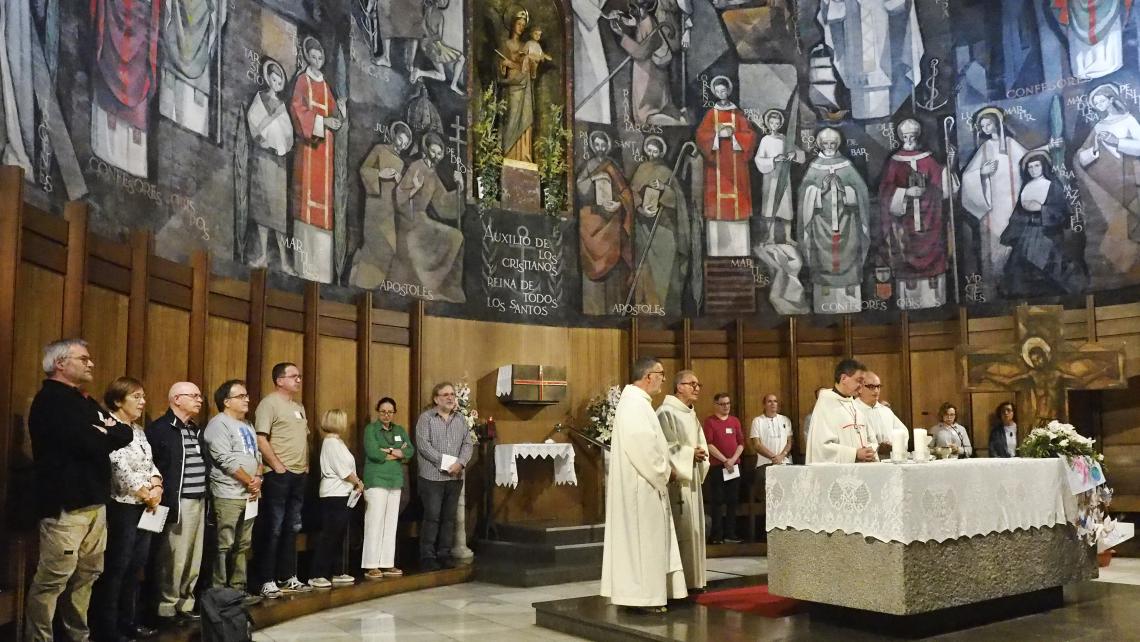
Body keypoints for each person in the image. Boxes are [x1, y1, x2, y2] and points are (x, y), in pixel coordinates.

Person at [25, 340, 133, 642]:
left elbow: (124, 432)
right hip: (66, 505)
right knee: (52, 581)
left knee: (87, 576)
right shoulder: (51, 401)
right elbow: (89, 442)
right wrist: (104, 432)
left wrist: (105, 431)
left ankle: (77, 636)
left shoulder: (84, 401)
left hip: (95, 502)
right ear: (60, 363)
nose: (91, 364)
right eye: (83, 358)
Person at [601, 357, 687, 612]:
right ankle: (643, 598)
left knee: (648, 543)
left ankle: (647, 596)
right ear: (649, 376)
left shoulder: (639, 403)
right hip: (642, 487)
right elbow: (643, 448)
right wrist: (665, 472)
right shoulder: (634, 406)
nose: (663, 378)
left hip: (645, 484)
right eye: (661, 373)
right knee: (643, 543)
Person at [92, 377, 161, 642]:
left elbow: (149, 465)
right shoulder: (109, 427)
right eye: (137, 397)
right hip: (122, 507)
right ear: (118, 400)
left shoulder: (139, 430)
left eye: (143, 396)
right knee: (116, 568)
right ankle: (108, 629)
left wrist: (157, 487)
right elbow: (118, 468)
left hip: (146, 506)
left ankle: (128, 621)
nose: (143, 402)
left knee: (136, 566)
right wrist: (146, 493)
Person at [146, 382, 209, 624]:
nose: (199, 400)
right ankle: (166, 607)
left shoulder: (195, 429)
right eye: (193, 396)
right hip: (177, 502)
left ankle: (186, 602)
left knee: (194, 556)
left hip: (199, 500)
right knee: (174, 557)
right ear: (176, 399)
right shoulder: (161, 429)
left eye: (199, 395)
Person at [877, 118, 955, 310]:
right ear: (901, 137)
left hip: (929, 220)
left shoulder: (927, 159)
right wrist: (904, 193)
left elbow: (942, 188)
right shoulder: (895, 162)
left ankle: (935, 303)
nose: (909, 139)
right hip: (905, 223)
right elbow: (885, 191)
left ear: (918, 136)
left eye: (913, 135)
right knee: (904, 254)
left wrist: (949, 167)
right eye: (906, 136)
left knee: (934, 256)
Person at [254, 362, 312, 597]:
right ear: (279, 380)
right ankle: (266, 579)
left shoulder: (299, 406)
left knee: (293, 527)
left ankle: (288, 576)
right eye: (293, 376)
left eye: (299, 376)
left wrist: (306, 464)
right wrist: (277, 465)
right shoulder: (269, 404)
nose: (298, 379)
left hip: (299, 474)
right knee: (274, 528)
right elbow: (261, 438)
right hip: (279, 475)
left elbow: (302, 437)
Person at [799, 127, 872, 313]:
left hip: (847, 224)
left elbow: (861, 193)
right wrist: (819, 190)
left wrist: (846, 191)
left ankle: (850, 298)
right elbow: (805, 195)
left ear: (837, 144)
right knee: (821, 259)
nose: (829, 147)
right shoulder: (815, 167)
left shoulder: (846, 166)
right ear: (820, 145)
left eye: (833, 144)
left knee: (849, 256)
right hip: (820, 225)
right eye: (825, 144)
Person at [1074, 82, 1140, 287]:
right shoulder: (1099, 126)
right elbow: (1082, 156)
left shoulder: (1128, 120)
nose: (1099, 105)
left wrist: (1117, 143)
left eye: (1101, 101)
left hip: (1131, 179)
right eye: (1096, 103)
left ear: (1111, 99)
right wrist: (1092, 152)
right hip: (1109, 185)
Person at [289, 36, 344, 283]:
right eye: (313, 56)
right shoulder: (303, 80)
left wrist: (338, 115)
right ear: (306, 56)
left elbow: (336, 115)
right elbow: (297, 109)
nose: (317, 61)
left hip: (326, 151)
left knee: (324, 204)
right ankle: (304, 265)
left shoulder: (325, 85)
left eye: (320, 57)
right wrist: (322, 122)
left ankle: (322, 271)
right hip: (309, 149)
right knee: (306, 201)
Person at [203, 379, 262, 599]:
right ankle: (219, 590)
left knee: (243, 543)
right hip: (227, 492)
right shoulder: (219, 424)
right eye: (241, 396)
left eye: (247, 395)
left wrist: (257, 478)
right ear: (226, 402)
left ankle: (239, 588)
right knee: (224, 542)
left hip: (249, 493)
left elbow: (256, 455)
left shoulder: (247, 424)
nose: (247, 399)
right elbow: (224, 459)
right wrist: (249, 480)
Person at [1001, 152, 1083, 297]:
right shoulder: (1026, 186)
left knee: (1048, 272)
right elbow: (1017, 215)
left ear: (1043, 166)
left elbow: (1062, 213)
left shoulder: (1053, 186)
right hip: (1026, 235)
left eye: (1037, 166)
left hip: (1047, 235)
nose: (1033, 170)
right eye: (1030, 167)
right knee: (1020, 272)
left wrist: (1041, 209)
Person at [656, 370, 709, 591]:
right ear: (679, 387)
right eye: (692, 384)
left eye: (698, 384)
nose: (697, 388)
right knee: (682, 530)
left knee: (694, 530)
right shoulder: (665, 412)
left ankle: (694, 580)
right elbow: (665, 446)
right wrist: (689, 454)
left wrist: (700, 453)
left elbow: (701, 441)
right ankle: (678, 585)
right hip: (677, 481)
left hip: (692, 479)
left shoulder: (690, 413)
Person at [961, 107, 1027, 282]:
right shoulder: (985, 148)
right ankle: (995, 281)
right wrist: (982, 172)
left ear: (997, 123)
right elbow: (968, 177)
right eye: (983, 126)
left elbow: (1028, 162)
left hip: (1014, 205)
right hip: (993, 207)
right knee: (994, 246)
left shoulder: (1012, 144)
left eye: (988, 124)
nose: (986, 128)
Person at [696, 76, 759, 257]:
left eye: (724, 90)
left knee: (738, 202)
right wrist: (716, 136)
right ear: (715, 93)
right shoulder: (711, 114)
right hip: (716, 166)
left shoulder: (737, 114)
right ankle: (717, 253)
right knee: (717, 208)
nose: (721, 93)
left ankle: (740, 252)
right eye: (718, 91)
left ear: (728, 91)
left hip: (736, 165)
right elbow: (701, 136)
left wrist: (734, 135)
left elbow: (749, 136)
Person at [630, 135, 693, 315]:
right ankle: (647, 305)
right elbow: (632, 193)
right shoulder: (641, 169)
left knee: (664, 269)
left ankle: (664, 306)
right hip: (643, 225)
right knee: (645, 268)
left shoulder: (666, 172)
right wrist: (640, 207)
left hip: (663, 227)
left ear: (661, 152)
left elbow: (677, 199)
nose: (651, 153)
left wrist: (664, 189)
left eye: (655, 150)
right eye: (649, 149)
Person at [415, 382, 474, 570]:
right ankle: (427, 556)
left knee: (449, 518)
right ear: (436, 399)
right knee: (432, 517)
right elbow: (424, 446)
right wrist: (446, 463)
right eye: (445, 394)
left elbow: (467, 444)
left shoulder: (460, 420)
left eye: (452, 394)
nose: (450, 398)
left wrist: (461, 463)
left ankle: (444, 553)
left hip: (454, 478)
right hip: (432, 477)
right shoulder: (426, 419)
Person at [244, 58, 295, 273]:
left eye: (280, 79)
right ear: (268, 79)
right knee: (263, 208)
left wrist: (282, 145)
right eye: (273, 79)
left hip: (278, 163)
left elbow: (288, 134)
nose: (277, 82)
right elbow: (254, 123)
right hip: (263, 159)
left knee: (279, 211)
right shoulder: (260, 100)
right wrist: (265, 133)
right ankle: (263, 255)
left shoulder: (283, 106)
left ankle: (284, 261)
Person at [578, 130, 634, 315]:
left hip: (611, 218)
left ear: (607, 145)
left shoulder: (611, 166)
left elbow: (624, 191)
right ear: (593, 146)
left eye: (603, 144)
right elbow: (580, 188)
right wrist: (592, 181)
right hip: (594, 215)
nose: (600, 148)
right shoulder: (589, 165)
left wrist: (619, 201)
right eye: (597, 144)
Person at [351, 121, 412, 289]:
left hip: (389, 209)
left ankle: (373, 283)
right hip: (375, 205)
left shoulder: (401, 163)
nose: (402, 144)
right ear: (394, 136)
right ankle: (361, 282)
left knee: (390, 247)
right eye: (401, 139)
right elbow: (364, 170)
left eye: (406, 143)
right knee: (374, 244)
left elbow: (401, 193)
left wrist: (402, 183)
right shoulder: (379, 149)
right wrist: (380, 174)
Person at [308, 410, 365, 589]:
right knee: (329, 535)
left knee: (339, 534)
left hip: (343, 493)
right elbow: (343, 470)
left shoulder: (338, 442)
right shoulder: (331, 442)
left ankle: (337, 570)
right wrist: (358, 481)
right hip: (334, 494)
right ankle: (318, 573)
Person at [362, 397, 414, 579]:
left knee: (391, 523)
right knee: (374, 522)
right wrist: (396, 452)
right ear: (378, 411)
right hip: (376, 479)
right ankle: (371, 564)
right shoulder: (371, 429)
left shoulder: (399, 430)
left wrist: (389, 451)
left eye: (390, 412)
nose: (386, 415)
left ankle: (386, 563)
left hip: (395, 480)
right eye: (383, 411)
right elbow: (374, 453)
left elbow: (409, 452)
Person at [806, 359, 877, 464]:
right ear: (843, 378)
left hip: (863, 471)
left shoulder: (855, 406)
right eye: (858, 380)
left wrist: (870, 451)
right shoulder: (825, 405)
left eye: (863, 382)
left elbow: (871, 439)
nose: (861, 386)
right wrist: (855, 454)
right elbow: (821, 447)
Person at [753, 109, 805, 246]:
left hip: (783, 177)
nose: (774, 126)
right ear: (768, 124)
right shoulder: (765, 140)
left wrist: (792, 155)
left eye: (777, 123)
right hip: (770, 177)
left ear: (780, 124)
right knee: (770, 207)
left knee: (786, 207)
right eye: (772, 123)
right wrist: (774, 159)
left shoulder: (785, 139)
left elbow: (799, 154)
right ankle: (770, 237)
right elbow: (758, 159)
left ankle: (788, 237)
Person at [703, 392, 744, 544]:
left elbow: (741, 443)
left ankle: (730, 534)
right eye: (722, 404)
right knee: (717, 501)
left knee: (733, 500)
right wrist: (725, 460)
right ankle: (717, 535)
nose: (726, 406)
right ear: (716, 405)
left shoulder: (734, 421)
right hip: (717, 467)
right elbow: (708, 444)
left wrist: (732, 460)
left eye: (728, 403)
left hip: (734, 467)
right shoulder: (710, 422)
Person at [499, 10, 536, 162]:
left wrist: (529, 63)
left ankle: (524, 157)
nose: (521, 27)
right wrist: (503, 65)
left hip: (525, 87)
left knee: (526, 118)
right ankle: (508, 155)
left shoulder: (525, 45)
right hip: (512, 88)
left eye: (523, 25)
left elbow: (530, 70)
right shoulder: (506, 44)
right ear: (512, 24)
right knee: (512, 119)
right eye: (519, 23)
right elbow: (500, 72)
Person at [749, 394, 792, 520]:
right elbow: (756, 444)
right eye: (769, 401)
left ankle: (786, 523)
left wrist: (781, 456)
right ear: (764, 404)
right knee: (768, 495)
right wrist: (774, 457)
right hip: (765, 464)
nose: (773, 404)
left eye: (775, 401)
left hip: (784, 463)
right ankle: (769, 525)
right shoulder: (758, 421)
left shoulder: (785, 420)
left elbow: (790, 442)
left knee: (788, 494)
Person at [854, 371, 906, 458]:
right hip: (866, 461)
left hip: (890, 459)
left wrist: (894, 445)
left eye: (878, 386)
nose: (876, 390)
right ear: (860, 388)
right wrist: (877, 448)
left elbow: (903, 432)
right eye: (871, 387)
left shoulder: (886, 411)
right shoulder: (853, 410)